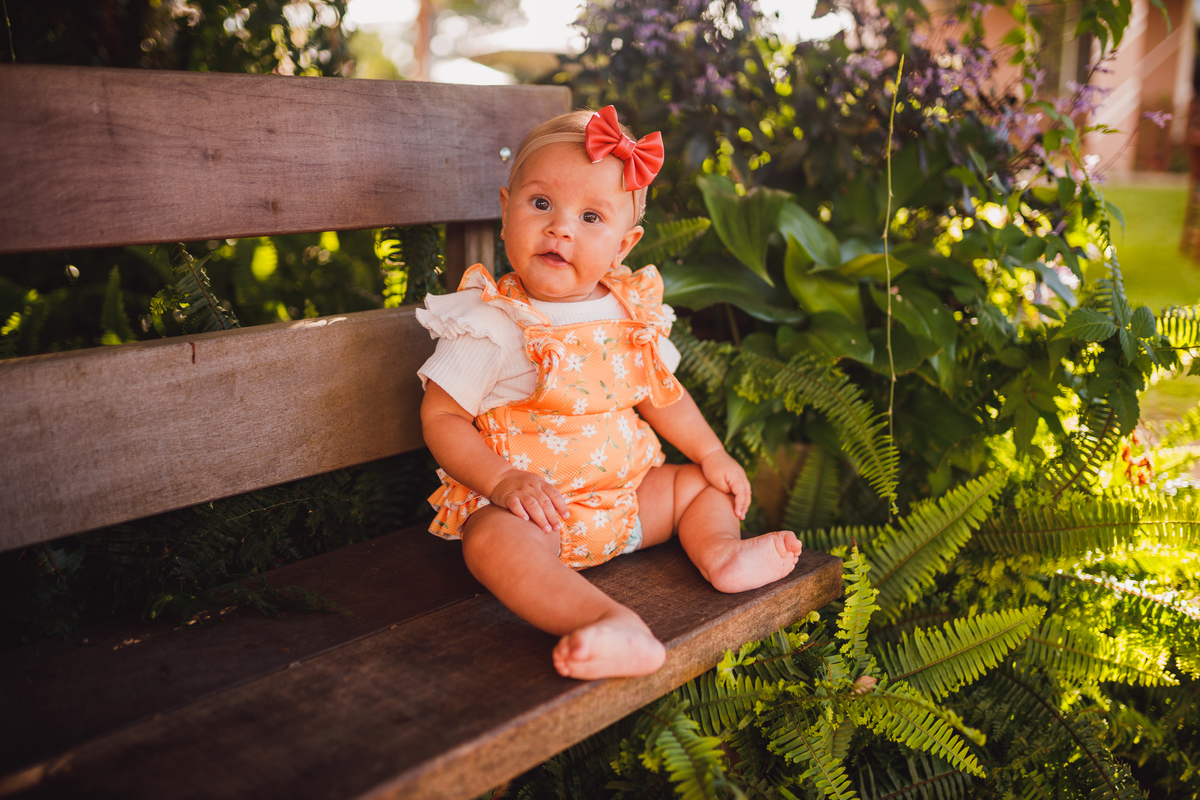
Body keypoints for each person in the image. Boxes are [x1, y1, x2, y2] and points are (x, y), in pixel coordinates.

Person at [416, 106, 803, 681]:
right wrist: (500, 482)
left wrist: (712, 453)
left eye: (590, 216)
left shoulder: (631, 314)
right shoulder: (492, 322)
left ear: (625, 245)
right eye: (541, 204)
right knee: (489, 542)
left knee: (697, 486)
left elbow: (661, 394)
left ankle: (720, 553)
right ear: (505, 211)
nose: (560, 228)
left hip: (628, 499)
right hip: (530, 512)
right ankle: (602, 620)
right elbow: (442, 417)